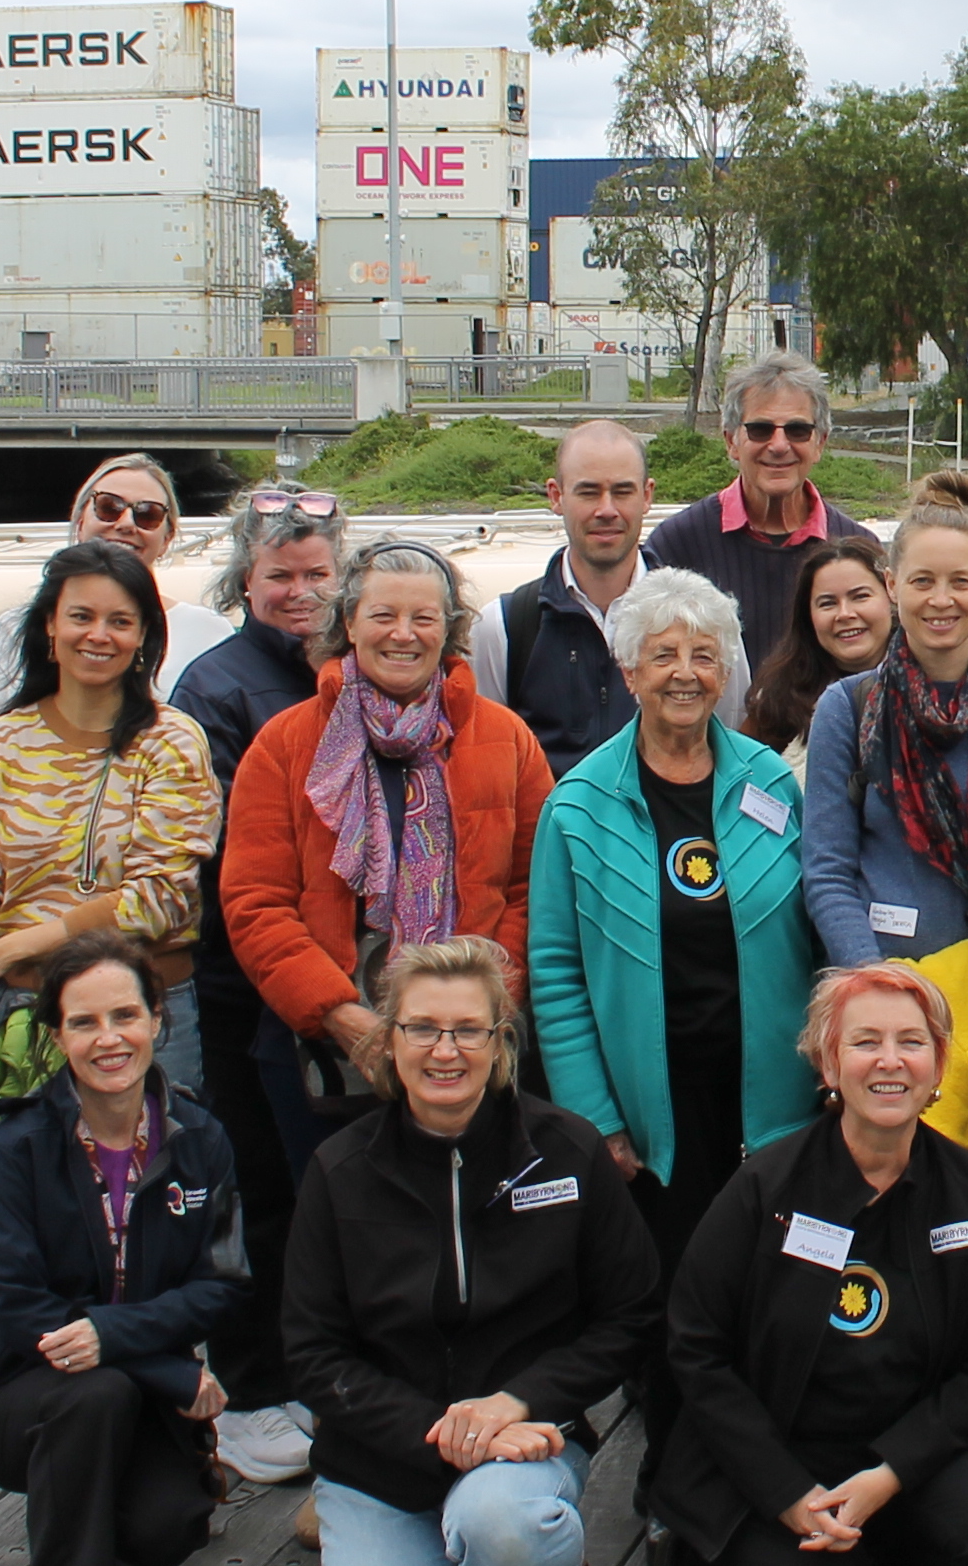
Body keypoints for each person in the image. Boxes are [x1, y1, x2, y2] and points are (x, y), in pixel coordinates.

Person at [647, 963, 968, 1566]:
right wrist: (785, 1495)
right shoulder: (765, 1188)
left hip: (888, 1470)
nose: (890, 1060)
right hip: (764, 1477)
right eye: (864, 1042)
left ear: (939, 1065)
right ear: (829, 1064)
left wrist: (888, 1476)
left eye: (911, 1042)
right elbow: (696, 1351)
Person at [289, 938, 661, 1566]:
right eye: (423, 1029)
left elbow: (631, 1315)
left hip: (526, 1441)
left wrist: (515, 1403)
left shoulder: (566, 1150)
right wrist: (444, 1436)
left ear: (502, 1042)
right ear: (386, 1041)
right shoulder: (338, 1169)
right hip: (379, 1459)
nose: (446, 1051)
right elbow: (313, 1354)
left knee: (505, 1527)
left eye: (470, 1030)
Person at [0, 933, 243, 1566]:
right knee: (94, 1394)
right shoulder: (15, 1148)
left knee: (167, 1529)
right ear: (56, 1038)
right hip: (22, 1397)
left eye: (125, 1015)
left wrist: (118, 1343)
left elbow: (220, 1284)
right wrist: (166, 1367)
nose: (108, 1039)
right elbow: (16, 1307)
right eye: (84, 1022)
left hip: (134, 1396)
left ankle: (102, 1542)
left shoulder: (201, 1140)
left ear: (158, 1020)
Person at [527, 569, 824, 1292]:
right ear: (629, 672)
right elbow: (556, 973)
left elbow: (815, 934)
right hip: (651, 1105)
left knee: (774, 1282)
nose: (685, 675)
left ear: (726, 671)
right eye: (663, 656)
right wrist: (595, 1118)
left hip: (770, 1093)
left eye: (704, 655)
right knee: (673, 1288)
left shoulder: (773, 782)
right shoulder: (579, 805)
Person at [217, 539, 552, 1108]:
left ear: (447, 630)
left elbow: (535, 890)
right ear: (348, 622)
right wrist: (338, 1015)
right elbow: (255, 901)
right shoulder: (285, 743)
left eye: (424, 618)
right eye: (383, 615)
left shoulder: (508, 739)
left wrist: (484, 1010)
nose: (404, 634)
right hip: (328, 1050)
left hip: (472, 1047)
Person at [166, 486, 349, 1484]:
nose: (300, 591)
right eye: (281, 575)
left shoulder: (358, 669)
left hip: (340, 984)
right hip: (244, 984)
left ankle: (319, 1375)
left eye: (318, 574)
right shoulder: (217, 686)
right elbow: (235, 854)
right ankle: (250, 1384)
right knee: (255, 1192)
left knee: (327, 1193)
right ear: (246, 580)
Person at [0, 541, 227, 1092]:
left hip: (147, 1013)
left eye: (120, 621)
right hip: (21, 1015)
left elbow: (161, 897)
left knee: (154, 1170)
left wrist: (9, 948)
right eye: (81, 616)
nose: (99, 635)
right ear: (50, 625)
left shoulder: (171, 742)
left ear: (143, 635)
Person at [804, 473, 968, 981]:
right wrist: (874, 979)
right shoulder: (849, 708)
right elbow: (828, 871)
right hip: (889, 989)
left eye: (961, 582)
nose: (941, 600)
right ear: (891, 584)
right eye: (922, 581)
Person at [640, 351, 877, 663]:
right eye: (760, 429)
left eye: (797, 430)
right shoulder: (676, 546)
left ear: (820, 443)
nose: (779, 445)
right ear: (731, 441)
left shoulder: (860, 550)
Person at [0, 454, 234, 716]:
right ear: (80, 522)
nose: (126, 524)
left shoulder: (208, 633)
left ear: (167, 539)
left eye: (148, 514)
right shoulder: (13, 629)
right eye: (109, 507)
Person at [466, 417, 659, 773]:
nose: (606, 509)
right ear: (556, 496)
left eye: (622, 491)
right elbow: (486, 761)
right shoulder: (505, 627)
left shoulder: (695, 620)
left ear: (647, 496)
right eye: (588, 492)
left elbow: (722, 743)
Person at [745, 541, 893, 763]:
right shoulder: (777, 701)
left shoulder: (929, 685)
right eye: (827, 603)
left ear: (892, 596)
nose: (844, 614)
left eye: (860, 596)